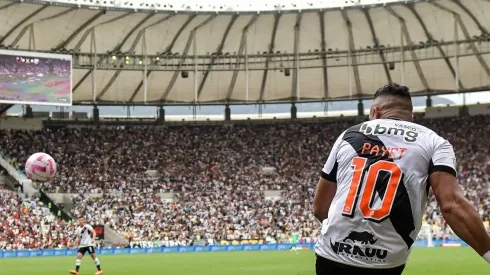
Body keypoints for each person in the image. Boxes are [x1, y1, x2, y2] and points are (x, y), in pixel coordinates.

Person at [313, 83, 490, 274]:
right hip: (386, 262)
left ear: (375, 112)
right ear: (411, 116)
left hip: (331, 255)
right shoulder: (435, 142)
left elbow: (320, 208)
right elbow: (452, 205)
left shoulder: (348, 135)